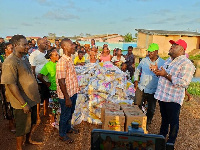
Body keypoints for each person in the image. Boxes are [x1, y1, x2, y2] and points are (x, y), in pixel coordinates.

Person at [1, 35, 42, 150]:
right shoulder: (10, 62)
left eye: (27, 44)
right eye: (24, 45)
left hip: (32, 98)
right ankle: (19, 147)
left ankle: (28, 140)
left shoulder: (24, 58)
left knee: (32, 122)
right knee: (22, 126)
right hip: (22, 102)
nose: (27, 47)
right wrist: (23, 103)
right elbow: (11, 84)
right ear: (15, 45)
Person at [152, 39, 195, 146]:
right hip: (162, 95)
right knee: (164, 119)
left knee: (173, 121)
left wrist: (165, 75)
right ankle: (162, 137)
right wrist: (157, 71)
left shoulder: (187, 64)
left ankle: (171, 141)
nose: (171, 47)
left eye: (174, 45)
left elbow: (184, 82)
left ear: (181, 49)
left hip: (173, 98)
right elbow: (164, 73)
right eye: (172, 45)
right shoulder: (169, 60)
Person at [134, 43, 165, 129]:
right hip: (141, 87)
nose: (149, 53)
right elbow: (137, 70)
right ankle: (137, 121)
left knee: (151, 109)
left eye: (151, 52)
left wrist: (157, 70)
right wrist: (136, 80)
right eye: (148, 51)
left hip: (153, 89)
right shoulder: (144, 61)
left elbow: (165, 76)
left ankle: (148, 122)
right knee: (137, 105)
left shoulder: (162, 63)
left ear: (156, 52)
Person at [56, 38, 79, 143]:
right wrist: (67, 98)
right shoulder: (62, 62)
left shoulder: (69, 59)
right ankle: (62, 134)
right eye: (71, 45)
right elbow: (61, 81)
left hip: (72, 92)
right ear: (65, 47)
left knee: (70, 113)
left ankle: (68, 128)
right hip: (66, 95)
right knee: (65, 115)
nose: (74, 46)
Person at [29, 38, 50, 122]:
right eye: (44, 43)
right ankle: (38, 116)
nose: (46, 44)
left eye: (46, 43)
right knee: (38, 99)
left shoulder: (48, 53)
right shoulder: (34, 55)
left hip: (47, 80)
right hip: (39, 80)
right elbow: (32, 69)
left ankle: (45, 112)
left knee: (46, 97)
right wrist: (35, 82)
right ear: (39, 44)